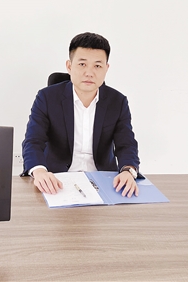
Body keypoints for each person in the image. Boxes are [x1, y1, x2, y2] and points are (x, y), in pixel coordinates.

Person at [21, 32, 141, 197]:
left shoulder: (117, 102)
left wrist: (128, 171)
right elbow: (33, 141)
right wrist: (39, 171)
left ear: (106, 69)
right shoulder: (47, 98)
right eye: (82, 64)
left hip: (104, 182)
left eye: (97, 66)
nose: (89, 73)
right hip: (57, 181)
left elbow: (126, 144)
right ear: (69, 66)